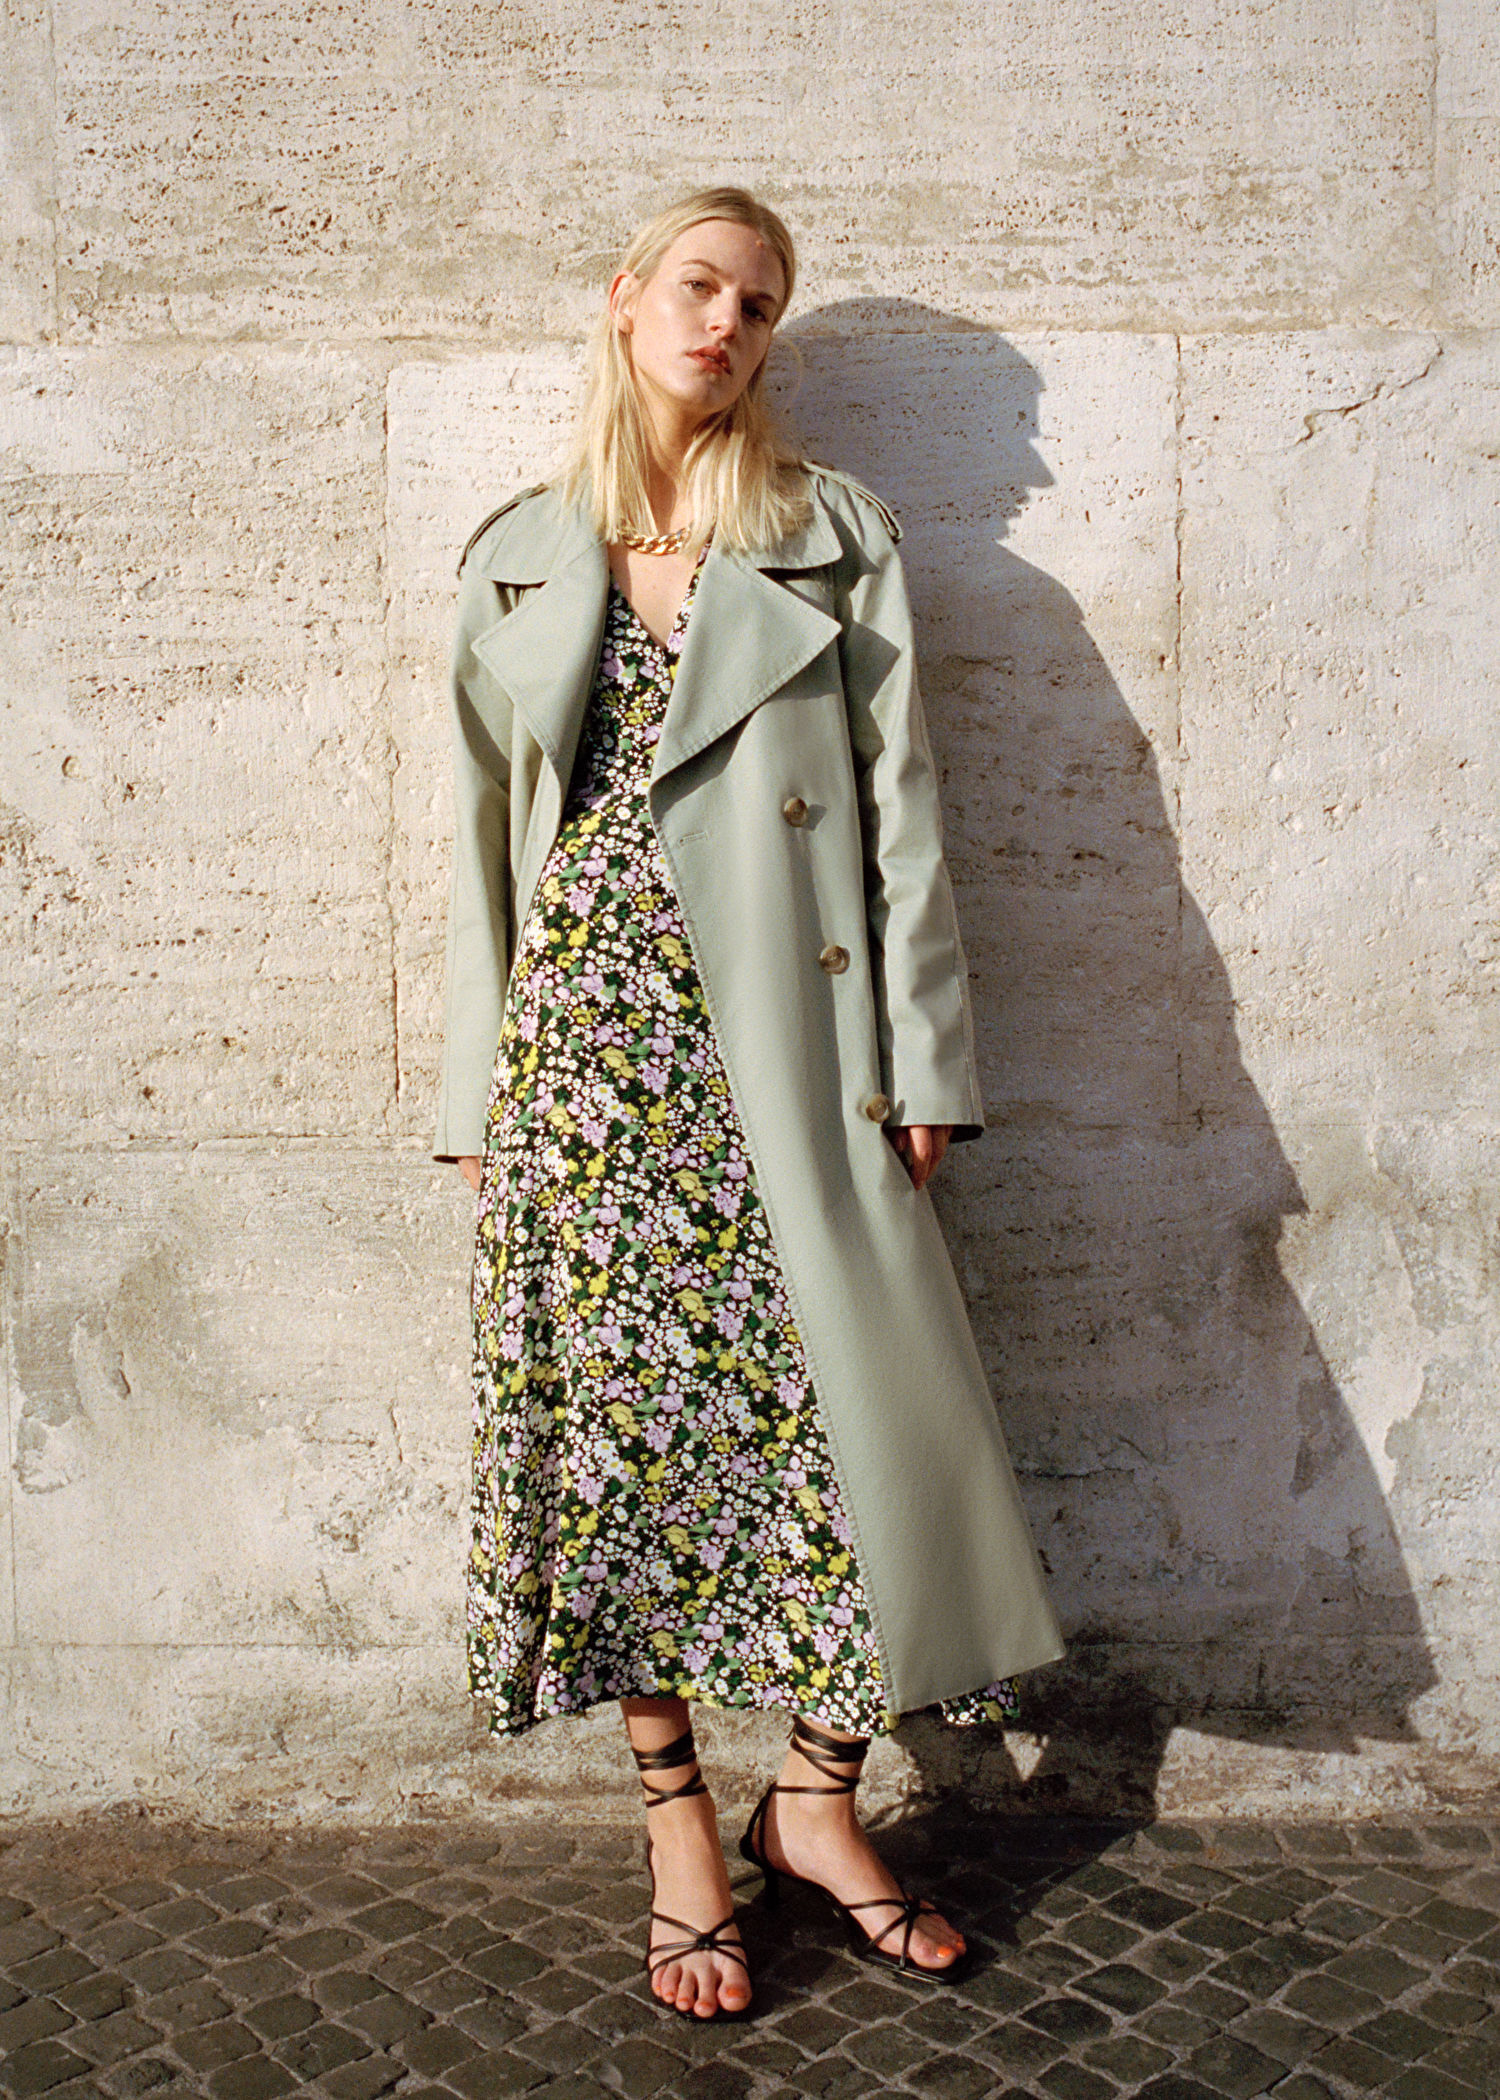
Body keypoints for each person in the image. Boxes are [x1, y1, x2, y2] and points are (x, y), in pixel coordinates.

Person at [434, 186, 1064, 2022]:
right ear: (626, 298)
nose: (726, 323)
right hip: (586, 1057)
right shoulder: (519, 552)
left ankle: (815, 1801)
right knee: (618, 1447)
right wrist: (479, 1095)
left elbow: (904, 816)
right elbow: (478, 848)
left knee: (865, 1432)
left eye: (760, 303)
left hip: (794, 1039)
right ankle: (680, 1829)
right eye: (700, 286)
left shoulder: (827, 534)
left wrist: (925, 1064)